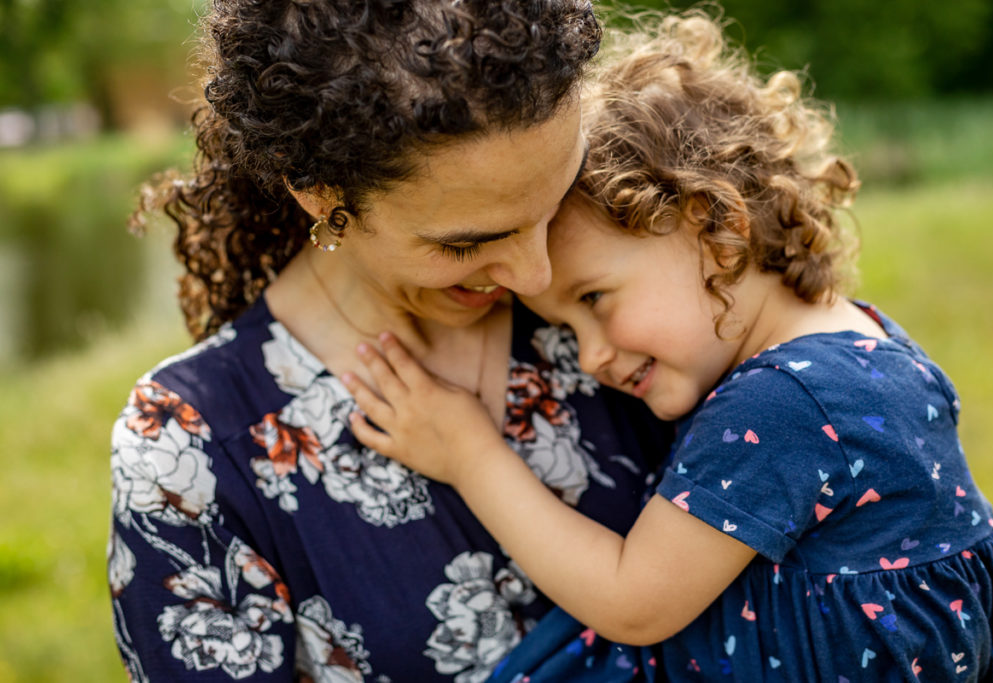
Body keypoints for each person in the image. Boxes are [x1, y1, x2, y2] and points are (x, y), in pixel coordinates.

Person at [343, 9, 993, 681]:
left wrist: (469, 453)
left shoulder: (783, 402)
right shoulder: (868, 343)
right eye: (570, 330)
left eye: (594, 300)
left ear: (711, 221)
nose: (591, 356)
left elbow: (632, 602)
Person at [108, 1, 674, 680]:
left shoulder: (636, 274)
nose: (537, 274)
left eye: (555, 200)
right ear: (322, 196)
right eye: (467, 242)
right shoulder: (189, 448)